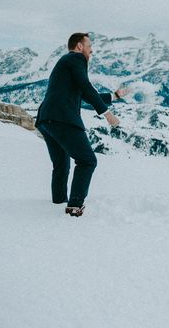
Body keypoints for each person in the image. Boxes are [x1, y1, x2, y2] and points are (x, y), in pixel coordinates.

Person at [35, 33, 128, 216]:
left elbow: (82, 94)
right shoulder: (77, 59)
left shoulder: (66, 63)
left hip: (47, 120)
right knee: (87, 161)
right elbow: (86, 87)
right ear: (79, 46)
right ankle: (74, 206)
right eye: (89, 46)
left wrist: (114, 96)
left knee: (61, 164)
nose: (91, 50)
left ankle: (58, 201)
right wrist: (107, 113)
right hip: (63, 119)